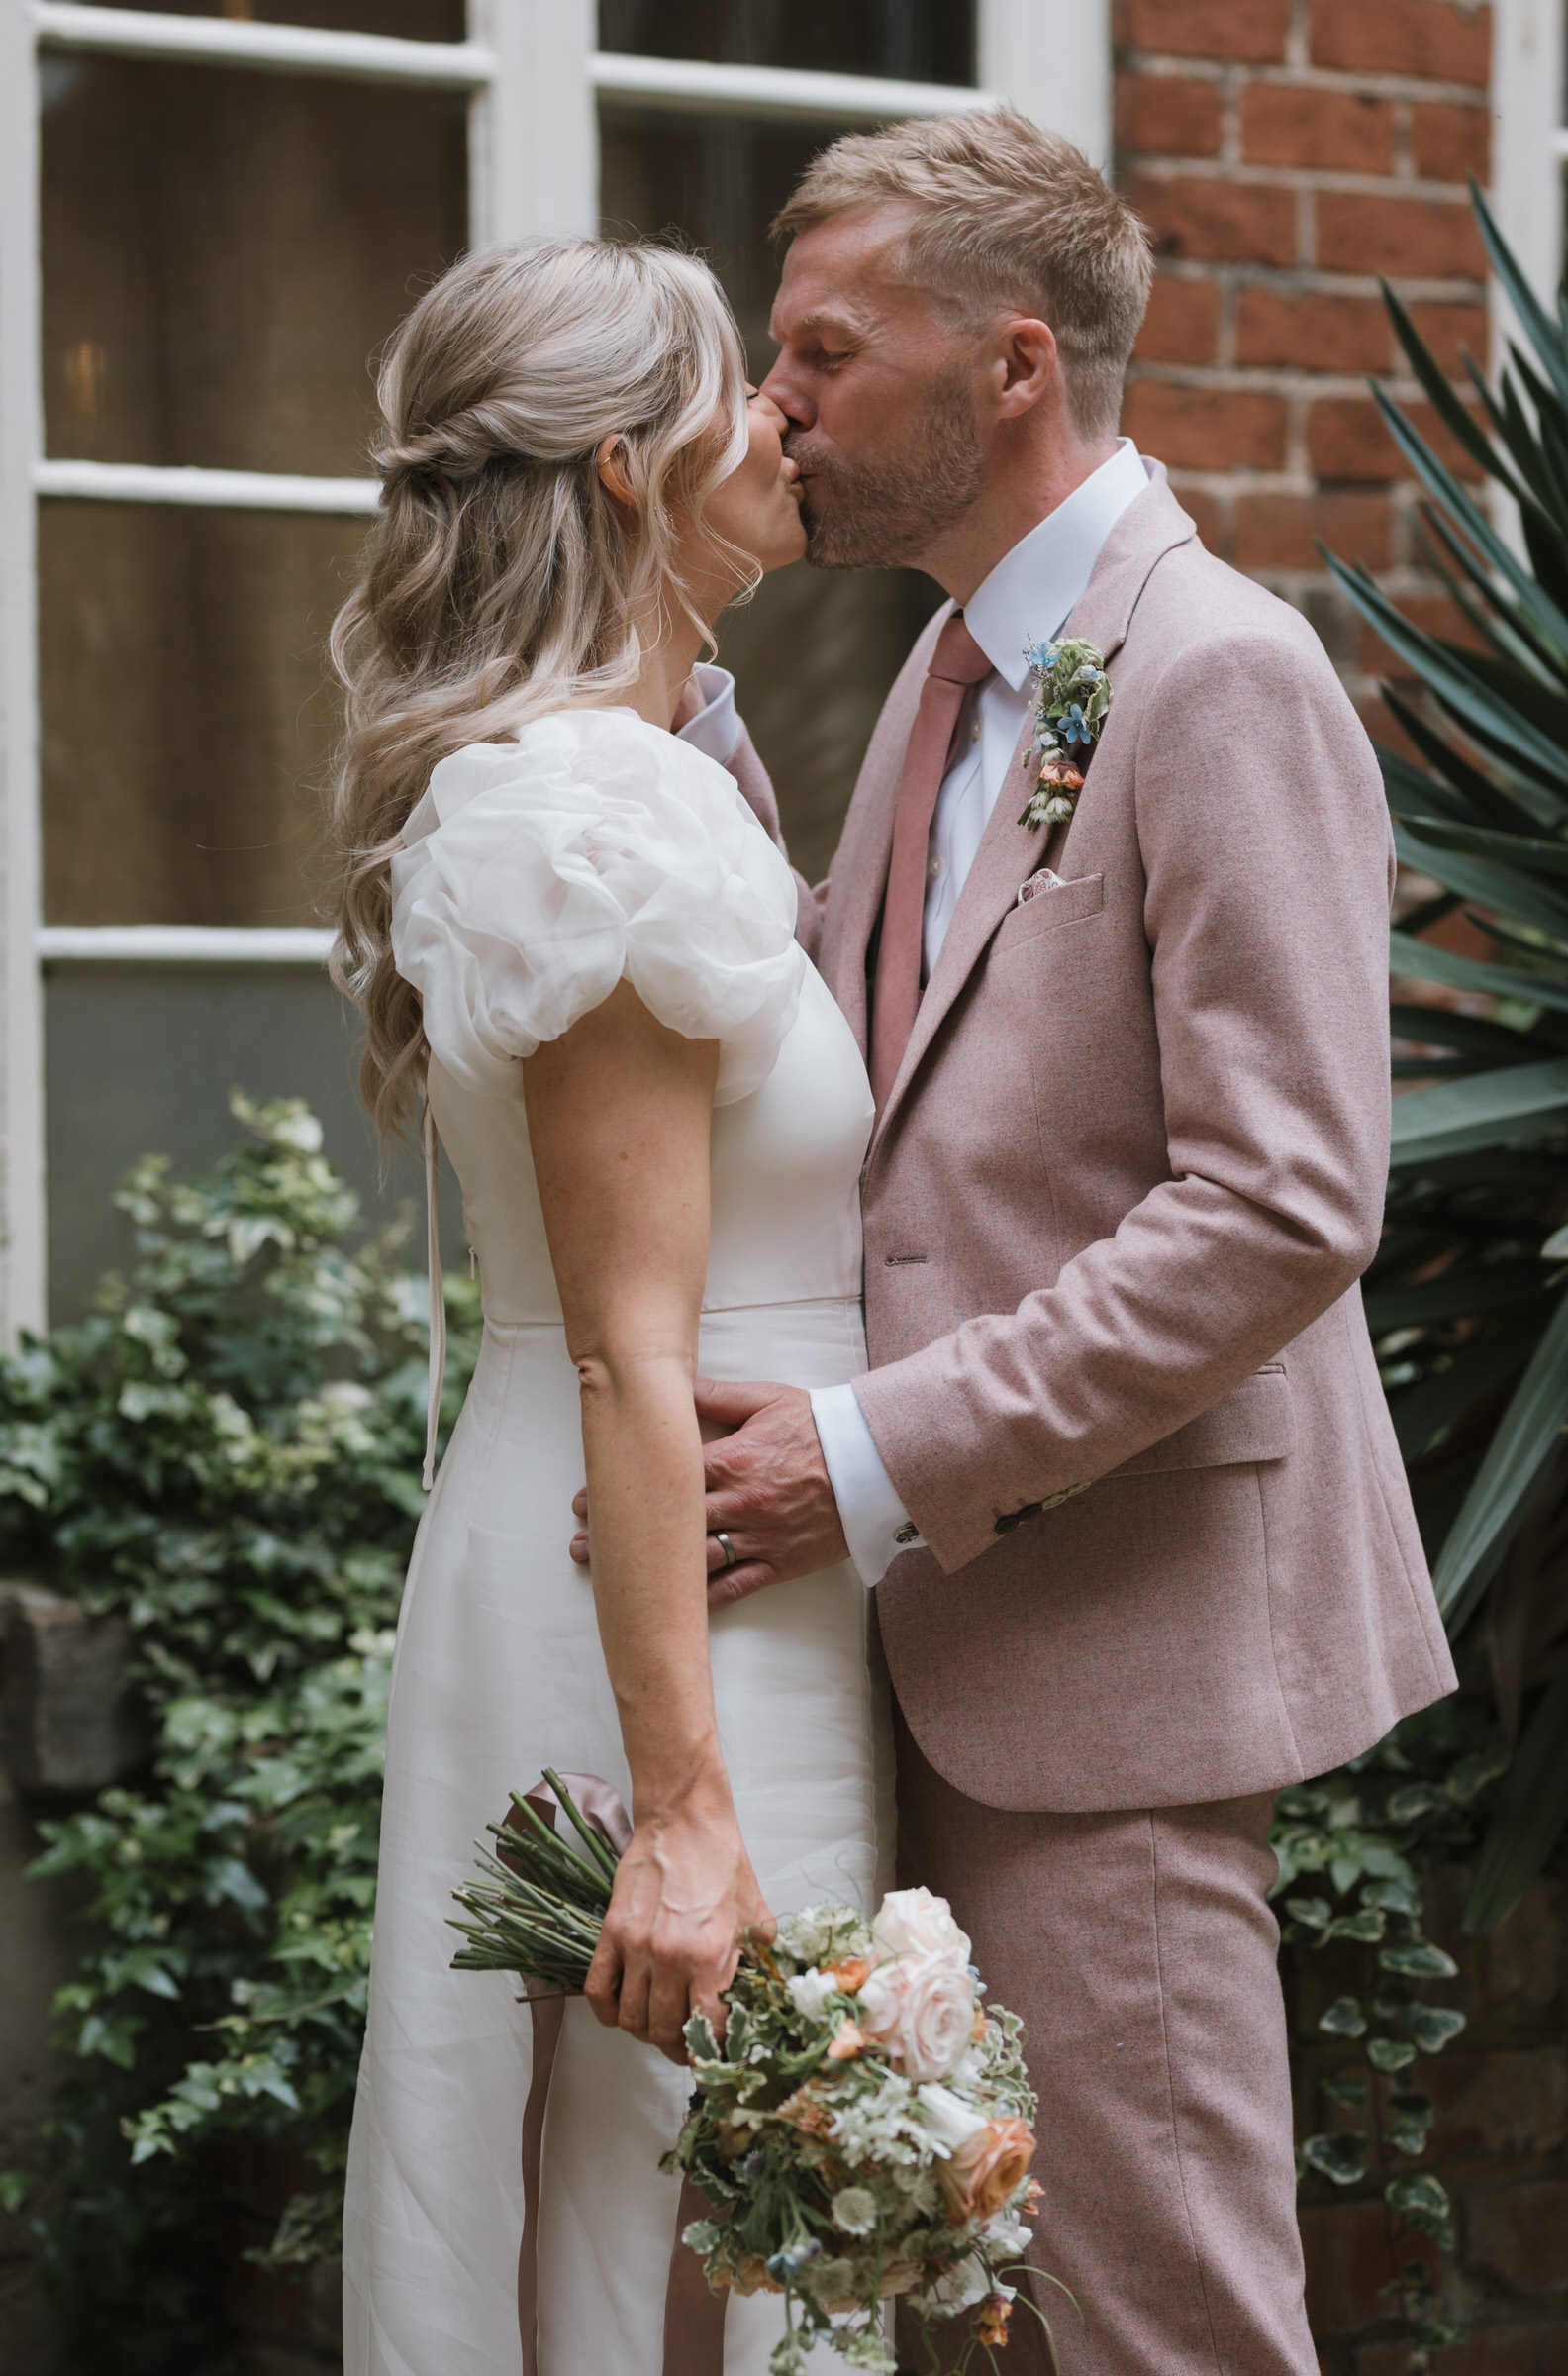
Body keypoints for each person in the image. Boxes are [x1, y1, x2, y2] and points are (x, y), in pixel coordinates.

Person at [609, 109, 1461, 2375]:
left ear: (1006, 370)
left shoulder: (1217, 676)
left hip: (1116, 1650)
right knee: (983, 2326)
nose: (770, 401)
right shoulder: (942, 672)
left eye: (817, 350)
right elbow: (877, 1045)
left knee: (1161, 2318)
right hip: (926, 1650)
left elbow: (1284, 1200)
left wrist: (872, 1455)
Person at [333, 239, 890, 2376]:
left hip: (688, 1575)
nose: (780, 424)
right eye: (740, 389)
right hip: (651, 1616)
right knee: (677, 2201)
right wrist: (680, 1806)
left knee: (701, 2196)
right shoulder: (583, 816)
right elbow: (626, 1350)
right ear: (622, 471)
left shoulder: (635, 773)